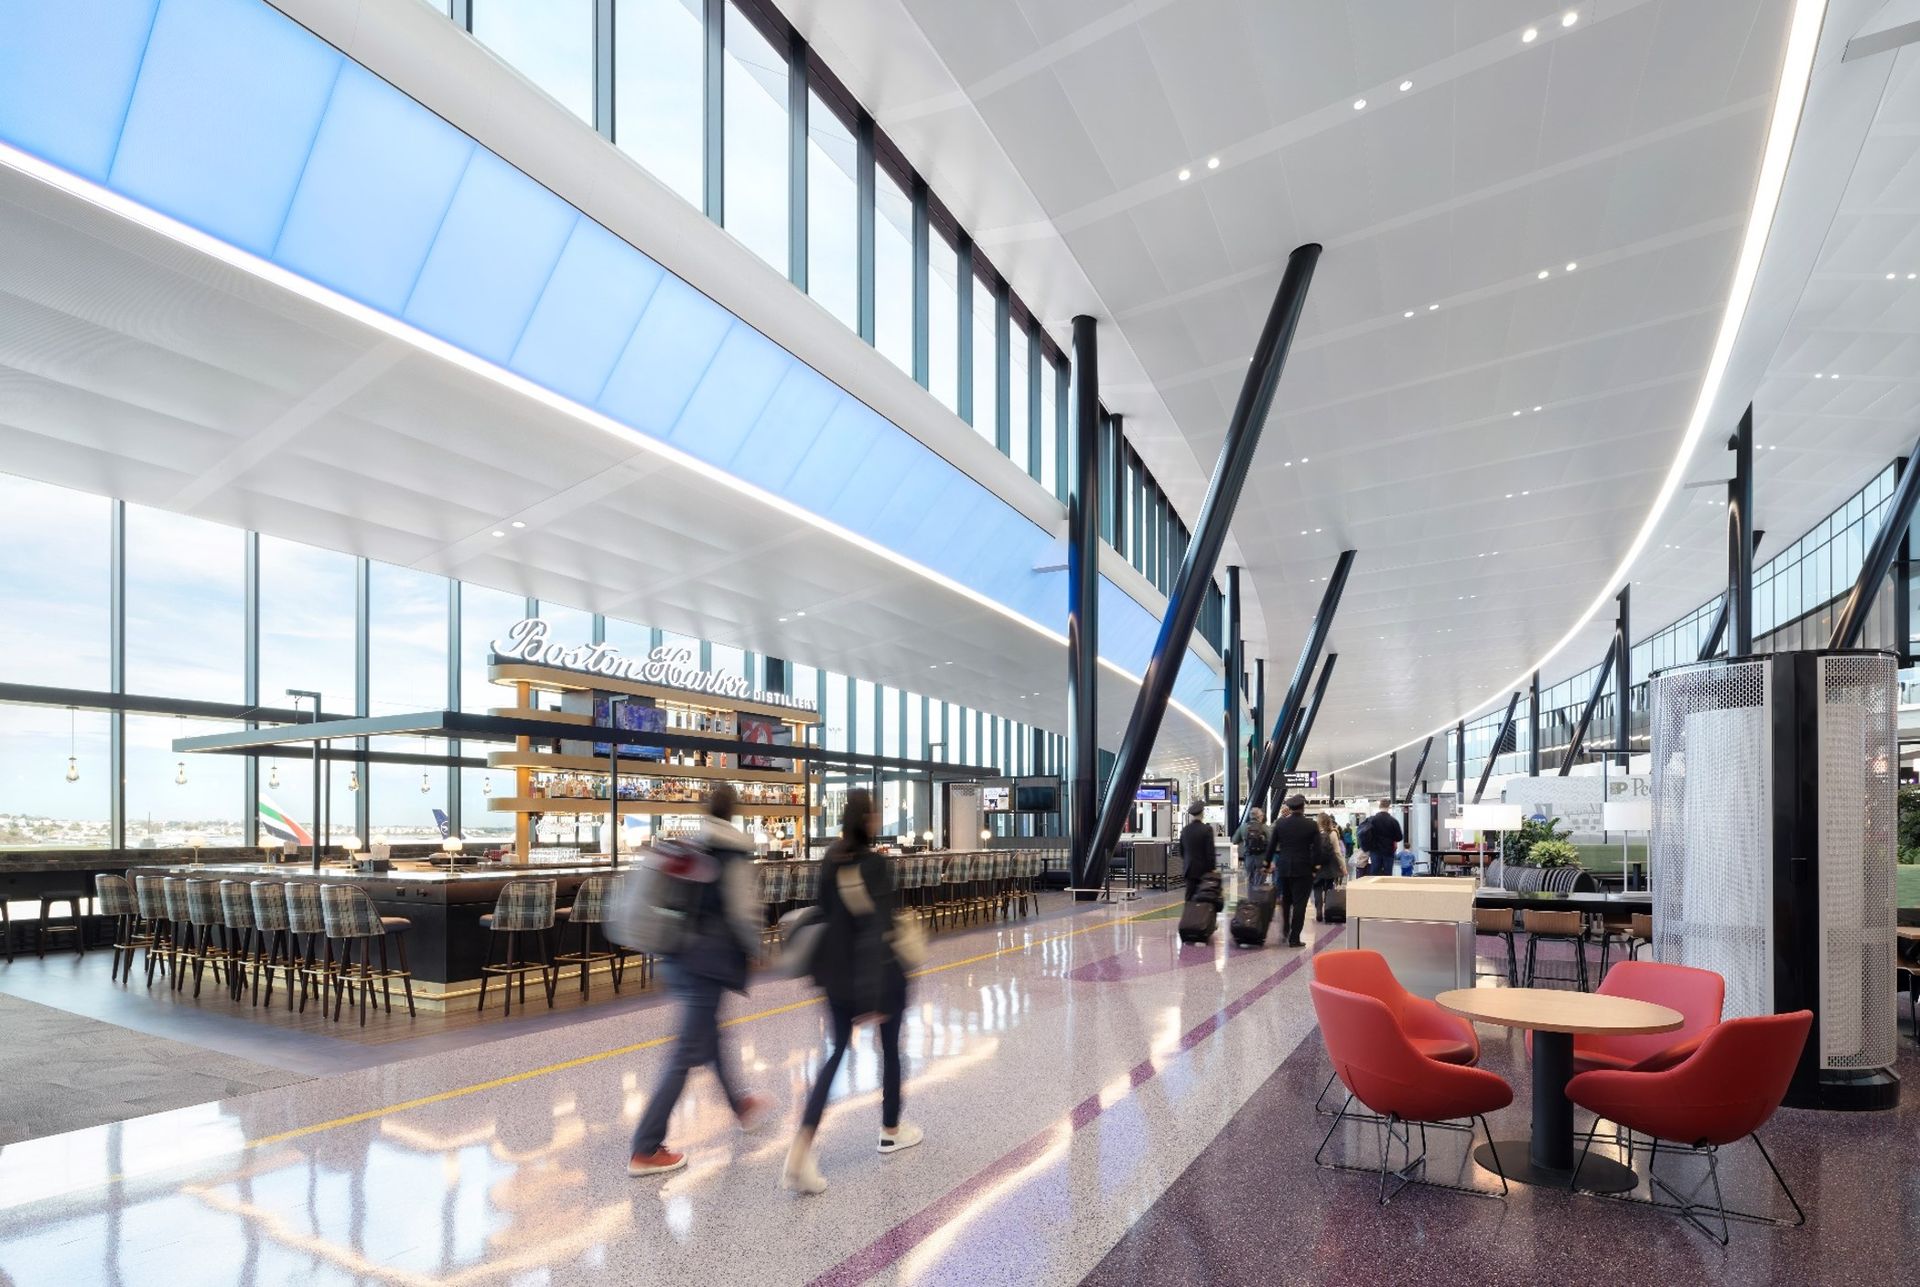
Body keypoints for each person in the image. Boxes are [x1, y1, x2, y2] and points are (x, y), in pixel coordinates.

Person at [783, 789, 920, 1194]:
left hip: (835, 976)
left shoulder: (830, 860)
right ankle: (891, 1127)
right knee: (891, 1050)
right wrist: (875, 995)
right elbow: (877, 930)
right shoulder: (875, 865)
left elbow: (824, 915)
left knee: (834, 1054)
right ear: (868, 820)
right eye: (875, 814)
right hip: (877, 975)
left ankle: (801, 1149)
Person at [628, 784, 769, 1177]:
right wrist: (754, 946)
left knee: (710, 1035)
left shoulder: (689, 845)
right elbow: (742, 910)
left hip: (674, 954)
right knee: (685, 1053)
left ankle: (741, 1106)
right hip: (707, 961)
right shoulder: (732, 853)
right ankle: (645, 1147)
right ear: (734, 812)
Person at [1263, 794, 1320, 947]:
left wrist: (1266, 863)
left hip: (1284, 867)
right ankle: (1294, 938)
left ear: (1289, 808)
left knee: (1286, 901)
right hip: (1304, 869)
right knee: (1300, 903)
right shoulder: (1311, 825)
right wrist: (1315, 867)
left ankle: (1285, 930)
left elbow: (1271, 846)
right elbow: (1317, 850)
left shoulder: (1280, 824)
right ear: (1303, 807)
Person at [1179, 800, 1217, 902]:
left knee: (1189, 898)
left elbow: (1182, 851)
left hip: (1189, 870)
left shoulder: (1185, 830)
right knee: (1205, 898)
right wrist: (1212, 869)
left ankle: (1190, 916)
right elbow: (1210, 853)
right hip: (1203, 871)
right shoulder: (1207, 830)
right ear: (1202, 813)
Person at [1312, 813, 1347, 922]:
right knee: (1329, 888)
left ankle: (1318, 910)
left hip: (1317, 866)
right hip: (1330, 867)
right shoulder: (1333, 833)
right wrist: (1343, 866)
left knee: (1317, 888)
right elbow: (1337, 852)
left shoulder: (1314, 833)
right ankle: (1328, 909)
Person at [1357, 799, 1402, 877]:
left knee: (1374, 872)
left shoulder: (1371, 820)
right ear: (1389, 807)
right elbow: (1399, 837)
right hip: (1388, 850)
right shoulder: (1393, 821)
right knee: (1388, 873)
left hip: (1375, 850)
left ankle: (1374, 888)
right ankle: (1385, 888)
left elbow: (1364, 833)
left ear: (1379, 806)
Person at [1233, 807, 1269, 884]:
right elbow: (1271, 841)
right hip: (1261, 859)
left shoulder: (1243, 827)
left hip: (1248, 858)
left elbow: (1234, 840)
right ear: (1259, 817)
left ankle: (1251, 895)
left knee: (1250, 882)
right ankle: (1258, 895)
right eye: (1262, 815)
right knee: (1260, 883)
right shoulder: (1265, 827)